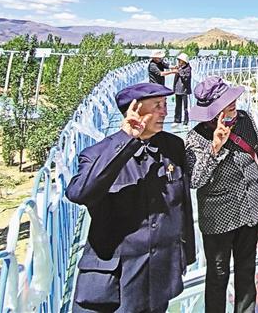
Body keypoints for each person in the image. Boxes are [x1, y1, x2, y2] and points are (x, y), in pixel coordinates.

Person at [66, 82, 196, 313]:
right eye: (157, 105)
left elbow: (183, 205)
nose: (164, 112)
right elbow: (79, 193)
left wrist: (185, 257)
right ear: (134, 109)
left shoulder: (173, 147)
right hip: (113, 285)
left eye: (165, 104)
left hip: (159, 279)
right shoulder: (98, 153)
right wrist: (126, 139)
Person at [185, 76, 258, 313]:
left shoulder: (244, 120)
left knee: (247, 271)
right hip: (219, 219)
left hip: (249, 210)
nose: (233, 105)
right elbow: (195, 180)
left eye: (232, 101)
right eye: (226, 104)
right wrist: (215, 148)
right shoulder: (195, 138)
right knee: (218, 276)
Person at [173, 53, 193, 128]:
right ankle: (177, 120)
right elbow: (175, 79)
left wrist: (179, 71)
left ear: (184, 61)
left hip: (184, 90)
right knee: (177, 106)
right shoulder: (179, 68)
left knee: (185, 107)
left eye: (180, 60)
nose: (178, 61)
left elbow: (186, 78)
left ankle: (185, 122)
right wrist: (174, 88)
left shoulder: (188, 69)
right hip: (178, 89)